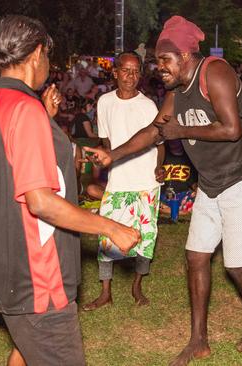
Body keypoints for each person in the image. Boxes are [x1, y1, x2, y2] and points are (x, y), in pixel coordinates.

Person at [85, 15, 242, 365]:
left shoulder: (215, 72)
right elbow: (154, 131)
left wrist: (177, 131)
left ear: (186, 56)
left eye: (166, 60)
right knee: (196, 255)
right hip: (212, 179)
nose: (159, 67)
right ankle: (198, 340)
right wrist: (111, 155)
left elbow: (232, 129)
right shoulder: (176, 92)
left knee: (237, 267)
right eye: (158, 61)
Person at [0, 15, 140, 366]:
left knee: (25, 349)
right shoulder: (25, 109)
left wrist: (45, 119)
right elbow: (40, 201)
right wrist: (111, 227)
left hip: (5, 263)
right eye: (48, 56)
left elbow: (17, 162)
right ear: (37, 54)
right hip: (38, 275)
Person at [82, 51, 162, 311]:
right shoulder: (104, 102)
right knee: (106, 235)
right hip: (118, 180)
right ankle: (106, 292)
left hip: (145, 181)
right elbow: (106, 142)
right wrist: (104, 161)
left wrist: (159, 167)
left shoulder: (148, 106)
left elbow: (158, 142)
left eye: (136, 71)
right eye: (126, 70)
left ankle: (137, 285)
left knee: (145, 236)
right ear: (115, 73)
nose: (131, 76)